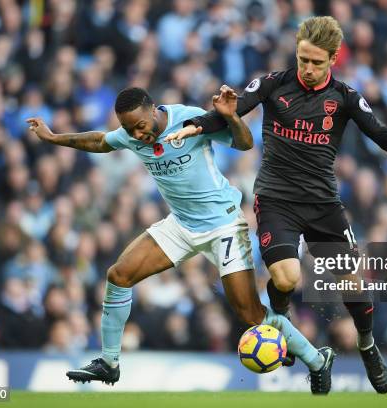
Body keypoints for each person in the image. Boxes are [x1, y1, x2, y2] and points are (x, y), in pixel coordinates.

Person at [166, 16, 387, 394]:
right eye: (303, 59)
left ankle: (367, 345)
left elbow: (379, 132)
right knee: (285, 278)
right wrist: (198, 125)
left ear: (333, 59)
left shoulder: (346, 97)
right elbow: (234, 107)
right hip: (276, 200)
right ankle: (282, 322)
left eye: (317, 62)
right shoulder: (273, 84)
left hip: (322, 204)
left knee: (353, 284)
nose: (308, 68)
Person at [26, 85, 335, 394]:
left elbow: (244, 143)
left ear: (154, 110)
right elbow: (100, 141)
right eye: (128, 129)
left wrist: (232, 118)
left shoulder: (190, 120)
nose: (136, 134)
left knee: (251, 314)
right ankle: (109, 363)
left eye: (140, 126)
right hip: (180, 225)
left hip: (223, 225)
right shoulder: (132, 134)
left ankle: (316, 359)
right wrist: (54, 137)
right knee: (118, 275)